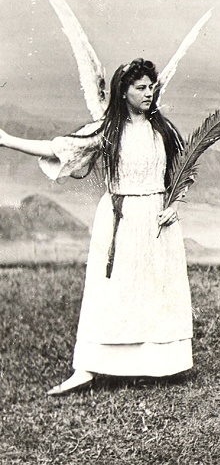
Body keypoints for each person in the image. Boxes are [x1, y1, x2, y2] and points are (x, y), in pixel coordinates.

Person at [0, 59, 193, 395]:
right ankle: (87, 368)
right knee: (111, 291)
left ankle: (157, 366)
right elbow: (59, 148)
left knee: (155, 289)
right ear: (124, 91)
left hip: (157, 220)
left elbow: (183, 171)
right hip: (120, 218)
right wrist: (5, 140)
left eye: (151, 87)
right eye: (141, 88)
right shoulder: (108, 130)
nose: (149, 93)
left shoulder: (162, 130)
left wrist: (174, 206)